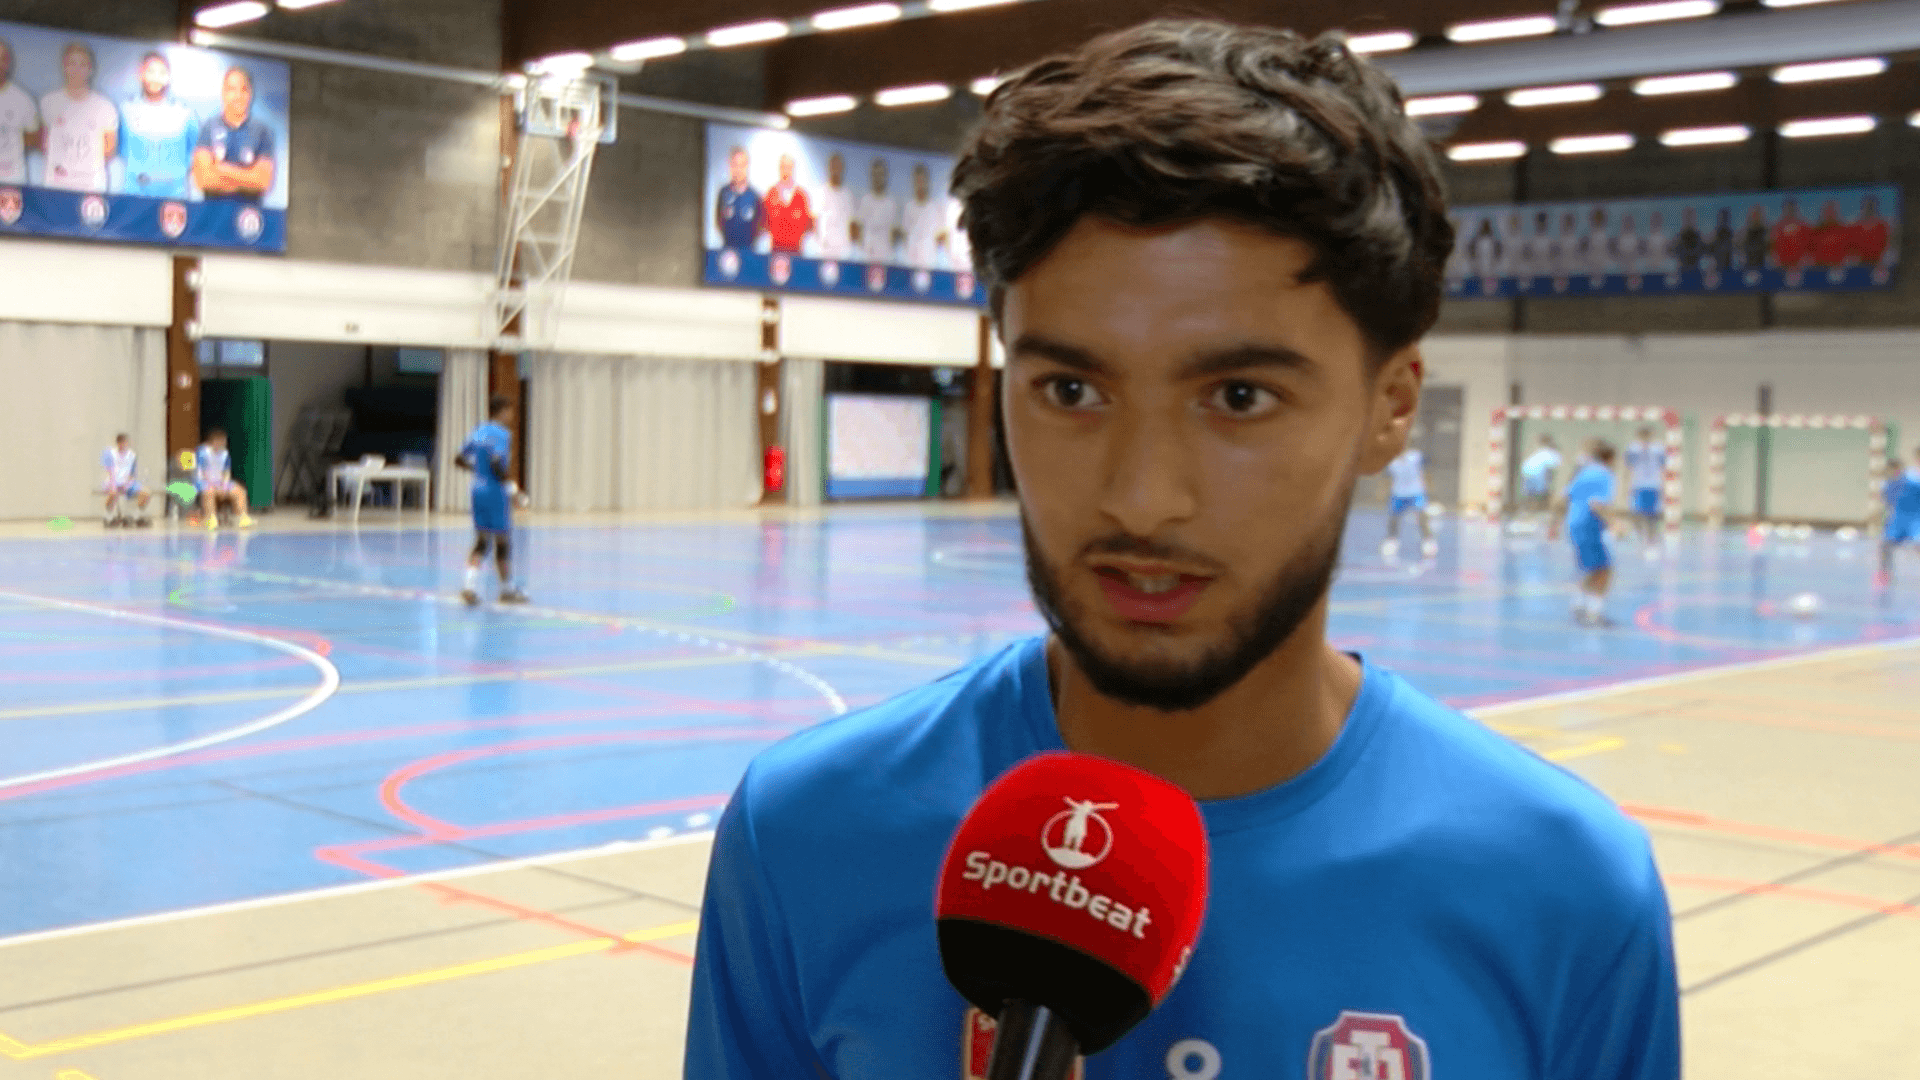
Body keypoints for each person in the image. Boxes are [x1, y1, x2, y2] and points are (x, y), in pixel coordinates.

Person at [686, 20, 1678, 1079]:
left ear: (1391, 408)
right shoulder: (808, 835)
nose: (1142, 498)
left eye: (1239, 398)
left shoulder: (1565, 888)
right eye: (1071, 391)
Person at [456, 395, 528, 606]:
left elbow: (459, 458)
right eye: (510, 410)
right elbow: (497, 462)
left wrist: (478, 470)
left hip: (477, 490)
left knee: (481, 541)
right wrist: (512, 488)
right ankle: (506, 590)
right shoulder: (502, 435)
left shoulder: (478, 431)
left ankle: (469, 586)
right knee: (502, 542)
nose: (512, 416)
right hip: (495, 492)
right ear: (503, 410)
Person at [40, 42, 117, 193]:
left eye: (83, 64)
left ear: (91, 69)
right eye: (72, 63)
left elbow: (108, 151)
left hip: (92, 186)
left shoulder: (105, 107)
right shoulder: (48, 102)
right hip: (57, 184)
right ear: (64, 66)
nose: (77, 69)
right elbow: (44, 145)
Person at [119, 52, 198, 199]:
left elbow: (193, 153)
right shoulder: (126, 110)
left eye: (162, 72)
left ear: (169, 78)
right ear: (140, 74)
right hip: (134, 196)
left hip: (174, 198)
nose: (156, 77)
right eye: (150, 71)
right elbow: (121, 150)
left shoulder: (185, 113)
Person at [191, 66, 275, 203]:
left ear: (250, 94)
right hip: (212, 215)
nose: (238, 96)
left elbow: (262, 181)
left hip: (249, 217)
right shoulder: (209, 127)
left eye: (243, 90)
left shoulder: (262, 131)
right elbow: (203, 179)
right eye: (232, 89)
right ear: (223, 93)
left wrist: (221, 169)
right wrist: (246, 180)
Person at [1567, 441, 1619, 626]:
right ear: (1610, 459)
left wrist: (1554, 523)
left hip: (1574, 523)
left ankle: (1579, 604)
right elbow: (1597, 503)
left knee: (1593, 568)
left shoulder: (1583, 473)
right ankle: (1594, 613)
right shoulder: (1604, 475)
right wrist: (1614, 523)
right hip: (1589, 525)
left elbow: (1566, 496)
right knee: (1604, 571)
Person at [1383, 444, 1436, 559]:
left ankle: (1428, 542)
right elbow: (1387, 478)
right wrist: (1384, 491)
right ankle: (1392, 541)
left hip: (1416, 493)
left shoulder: (1416, 456)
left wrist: (1428, 485)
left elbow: (1427, 468)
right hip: (1398, 494)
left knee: (1422, 516)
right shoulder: (1391, 462)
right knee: (1394, 518)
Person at [0, 37, 40, 187]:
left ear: (7, 63)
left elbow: (33, 139)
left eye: (1, 59)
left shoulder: (23, 100)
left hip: (12, 182)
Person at [195, 429, 252, 530]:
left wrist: (224, 485)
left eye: (223, 442)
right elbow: (200, 473)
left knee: (240, 491)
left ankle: (243, 517)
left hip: (219, 482)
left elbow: (226, 473)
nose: (222, 444)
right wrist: (213, 485)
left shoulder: (225, 455)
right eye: (219, 441)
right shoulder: (202, 452)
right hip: (203, 482)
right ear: (211, 442)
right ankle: (210, 519)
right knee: (209, 491)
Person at [762, 151, 813, 255]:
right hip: (775, 252)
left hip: (796, 253)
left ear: (793, 169)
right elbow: (764, 223)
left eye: (789, 167)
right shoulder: (771, 194)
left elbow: (808, 225)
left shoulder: (802, 196)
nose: (786, 170)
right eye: (783, 167)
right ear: (779, 169)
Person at [1623, 426, 1667, 547]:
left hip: (1654, 484)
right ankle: (1640, 534)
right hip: (1638, 484)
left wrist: (1664, 484)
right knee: (1636, 512)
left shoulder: (1658, 448)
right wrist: (1626, 484)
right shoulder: (1633, 448)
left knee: (1653, 514)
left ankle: (1652, 536)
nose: (1645, 438)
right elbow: (1628, 465)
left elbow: (1663, 465)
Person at [1881, 455, 1920, 586]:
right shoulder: (1888, 484)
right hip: (1898, 520)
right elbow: (1888, 501)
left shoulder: (1913, 480)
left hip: (1915, 520)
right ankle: (1884, 574)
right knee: (1886, 546)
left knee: (1918, 546)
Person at [853, 156, 900, 264]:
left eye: (881, 174)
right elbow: (858, 228)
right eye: (875, 174)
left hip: (886, 259)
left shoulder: (891, 203)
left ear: (885, 176)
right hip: (866, 258)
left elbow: (895, 232)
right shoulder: (864, 200)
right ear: (871, 176)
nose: (878, 178)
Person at [902, 161, 947, 270]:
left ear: (927, 182)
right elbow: (904, 235)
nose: (920, 184)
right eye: (918, 181)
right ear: (914, 183)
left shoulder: (935, 208)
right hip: (910, 264)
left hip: (930, 264)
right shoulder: (908, 207)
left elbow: (941, 238)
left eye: (923, 180)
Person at [714, 146, 762, 251]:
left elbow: (760, 226)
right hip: (727, 251)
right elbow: (718, 221)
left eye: (742, 165)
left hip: (749, 251)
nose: (738, 169)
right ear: (730, 166)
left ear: (747, 167)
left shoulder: (755, 196)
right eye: (735, 165)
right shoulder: (723, 192)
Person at [101, 432, 152, 527]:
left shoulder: (131, 455)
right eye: (121, 442)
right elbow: (110, 471)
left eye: (125, 442)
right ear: (118, 443)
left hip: (127, 483)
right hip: (113, 482)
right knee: (113, 493)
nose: (123, 445)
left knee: (146, 493)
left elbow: (132, 473)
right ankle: (108, 516)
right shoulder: (111, 454)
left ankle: (136, 516)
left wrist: (127, 484)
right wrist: (114, 486)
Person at [813, 151, 856, 260]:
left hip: (843, 252)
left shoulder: (848, 195)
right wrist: (820, 242)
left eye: (838, 166)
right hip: (824, 251)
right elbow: (815, 221)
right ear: (828, 168)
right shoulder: (821, 192)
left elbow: (853, 224)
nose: (835, 170)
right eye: (833, 166)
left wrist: (848, 246)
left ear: (842, 169)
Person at [1519, 433, 1562, 527]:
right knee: (1540, 496)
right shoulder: (1549, 453)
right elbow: (1553, 468)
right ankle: (1534, 515)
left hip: (1529, 474)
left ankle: (1528, 515)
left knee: (1532, 496)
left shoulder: (1542, 452)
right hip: (1536, 475)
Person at [1850, 195, 1891, 269]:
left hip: (1877, 263)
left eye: (1871, 206)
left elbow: (1885, 244)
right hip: (1860, 264)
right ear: (1863, 208)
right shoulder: (1857, 226)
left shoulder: (1881, 226)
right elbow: (1852, 247)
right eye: (1867, 206)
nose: (1869, 208)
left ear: (1875, 207)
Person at [1772, 197, 1810, 271]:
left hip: (1799, 266)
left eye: (1791, 209)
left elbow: (1809, 245)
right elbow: (1773, 247)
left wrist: (1803, 261)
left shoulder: (1803, 226)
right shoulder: (1778, 227)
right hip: (1782, 266)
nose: (1789, 211)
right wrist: (1776, 260)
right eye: (1787, 209)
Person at [1673, 207, 1705, 275]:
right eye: (1687, 217)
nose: (1689, 219)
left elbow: (1700, 251)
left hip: (1695, 268)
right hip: (1683, 269)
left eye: (1690, 217)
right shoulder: (1680, 236)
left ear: (1694, 218)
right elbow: (1677, 252)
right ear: (1684, 218)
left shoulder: (1697, 236)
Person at [1740, 205, 1770, 273]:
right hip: (1748, 268)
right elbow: (1741, 252)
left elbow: (1770, 252)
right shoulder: (1745, 234)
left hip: (1763, 268)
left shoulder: (1765, 232)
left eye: (1757, 215)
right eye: (1753, 215)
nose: (1755, 217)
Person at [1705, 207, 1734, 275]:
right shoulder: (1716, 236)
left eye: (1725, 218)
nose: (1723, 220)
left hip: (1727, 268)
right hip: (1718, 269)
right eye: (1722, 218)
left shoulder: (1730, 235)